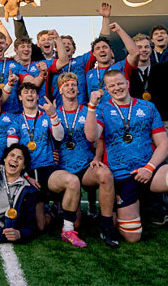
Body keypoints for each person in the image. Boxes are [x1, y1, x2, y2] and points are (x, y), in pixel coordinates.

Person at [85, 70, 168, 259]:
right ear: (106, 89)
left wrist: (149, 167)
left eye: (120, 83)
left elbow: (163, 144)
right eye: (111, 85)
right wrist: (91, 106)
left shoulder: (147, 107)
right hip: (121, 176)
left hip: (149, 171)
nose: (117, 88)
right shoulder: (102, 109)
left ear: (127, 83)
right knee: (132, 237)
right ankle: (116, 212)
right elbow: (91, 136)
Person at [13, 82, 90, 248]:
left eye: (33, 92)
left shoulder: (46, 116)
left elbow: (59, 136)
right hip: (28, 174)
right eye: (26, 92)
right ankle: (51, 209)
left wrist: (53, 115)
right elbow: (12, 153)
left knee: (73, 181)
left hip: (47, 169)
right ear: (20, 97)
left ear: (37, 96)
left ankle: (68, 230)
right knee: (41, 226)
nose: (30, 95)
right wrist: (25, 176)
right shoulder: (16, 121)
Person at [129, 31, 168, 227]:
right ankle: (155, 210)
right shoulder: (127, 74)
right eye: (139, 47)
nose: (143, 50)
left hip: (167, 123)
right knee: (146, 168)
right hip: (142, 128)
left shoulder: (162, 68)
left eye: (146, 46)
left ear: (151, 48)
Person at [51, 73, 119, 247]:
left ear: (78, 88)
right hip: (64, 168)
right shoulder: (54, 113)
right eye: (66, 85)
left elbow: (99, 139)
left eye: (73, 85)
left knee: (105, 175)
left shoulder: (88, 110)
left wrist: (97, 157)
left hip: (85, 164)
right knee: (76, 224)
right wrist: (52, 153)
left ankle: (106, 226)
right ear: (60, 90)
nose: (71, 88)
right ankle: (59, 208)